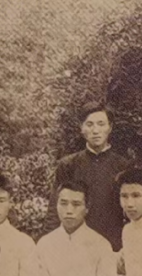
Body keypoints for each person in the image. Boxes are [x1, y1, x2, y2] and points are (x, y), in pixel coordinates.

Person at [33, 180, 119, 276]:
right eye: (63, 203)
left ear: (87, 208)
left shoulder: (101, 245)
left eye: (76, 204)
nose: (69, 210)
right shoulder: (45, 244)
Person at [53, 105, 132, 250]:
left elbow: (131, 211)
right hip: (76, 245)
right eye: (89, 124)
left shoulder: (123, 166)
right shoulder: (68, 165)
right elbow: (55, 207)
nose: (95, 130)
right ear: (81, 128)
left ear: (110, 127)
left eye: (101, 124)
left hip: (112, 244)